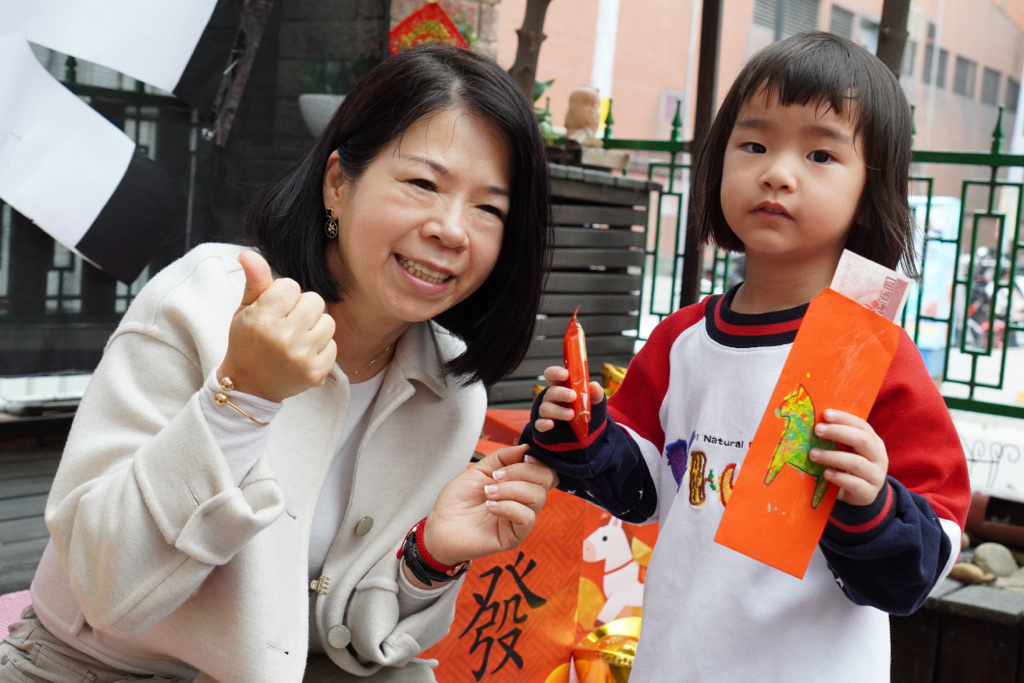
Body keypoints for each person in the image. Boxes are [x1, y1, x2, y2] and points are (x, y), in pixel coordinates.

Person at [1, 44, 557, 683]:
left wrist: (427, 558)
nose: (452, 230)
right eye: (423, 184)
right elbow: (104, 589)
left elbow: (347, 641)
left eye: (489, 209)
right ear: (338, 182)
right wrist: (242, 398)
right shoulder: (206, 300)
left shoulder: (451, 393)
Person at [521, 32, 971, 681]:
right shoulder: (682, 339)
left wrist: (872, 503)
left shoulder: (874, 353)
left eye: (820, 154)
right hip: (673, 663)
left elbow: (920, 566)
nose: (777, 172)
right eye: (754, 145)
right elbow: (641, 488)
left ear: (870, 191)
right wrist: (579, 428)